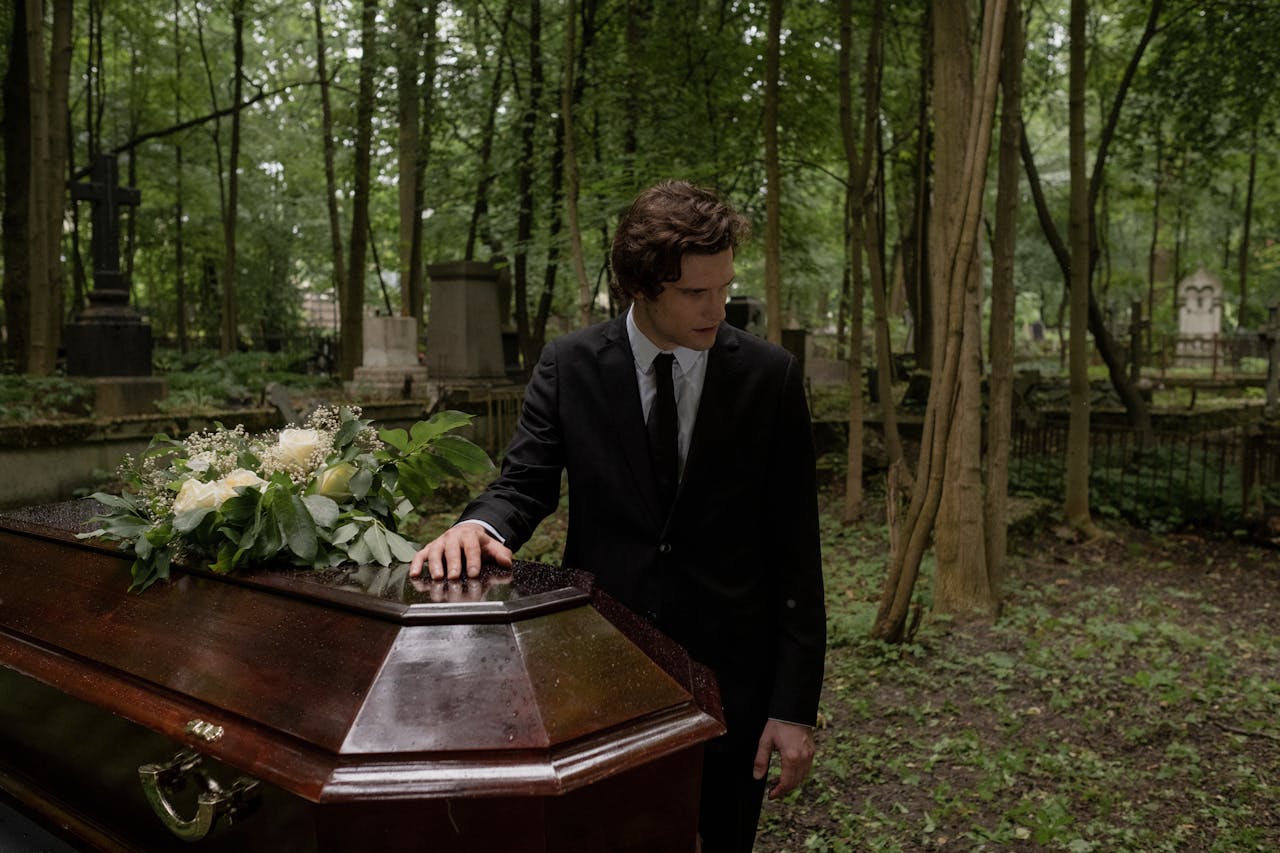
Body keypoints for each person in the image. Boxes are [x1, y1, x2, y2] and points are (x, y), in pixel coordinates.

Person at [410, 179, 826, 852]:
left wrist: (792, 707)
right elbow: (524, 483)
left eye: (724, 287)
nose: (718, 309)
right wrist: (476, 526)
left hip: (732, 687)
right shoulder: (569, 366)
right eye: (695, 293)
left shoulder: (770, 377)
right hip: (602, 678)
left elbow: (796, 553)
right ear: (640, 285)